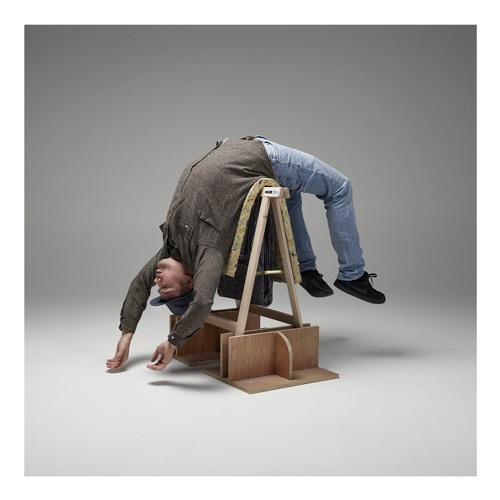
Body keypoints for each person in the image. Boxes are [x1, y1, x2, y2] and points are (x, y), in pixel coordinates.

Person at [106, 136, 385, 372]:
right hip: (263, 157)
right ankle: (352, 275)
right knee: (340, 188)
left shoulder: (171, 250)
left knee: (293, 194)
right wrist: (173, 342)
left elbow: (138, 285)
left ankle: (305, 267)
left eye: (159, 286)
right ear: (189, 280)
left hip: (239, 150)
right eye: (165, 288)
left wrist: (126, 336)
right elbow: (202, 303)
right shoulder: (208, 253)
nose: (157, 281)